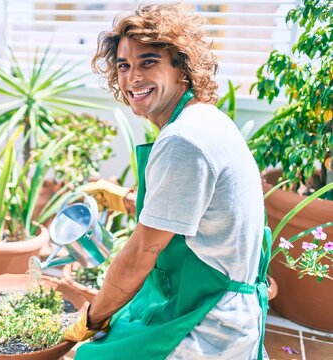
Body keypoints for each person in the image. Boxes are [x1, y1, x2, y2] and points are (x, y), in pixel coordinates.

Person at [63, 3, 270, 359]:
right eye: (123, 66)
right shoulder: (205, 119)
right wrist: (126, 199)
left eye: (148, 62)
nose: (131, 78)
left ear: (182, 67)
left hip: (207, 323)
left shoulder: (182, 141)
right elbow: (199, 213)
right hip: (219, 302)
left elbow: (143, 252)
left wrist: (93, 317)